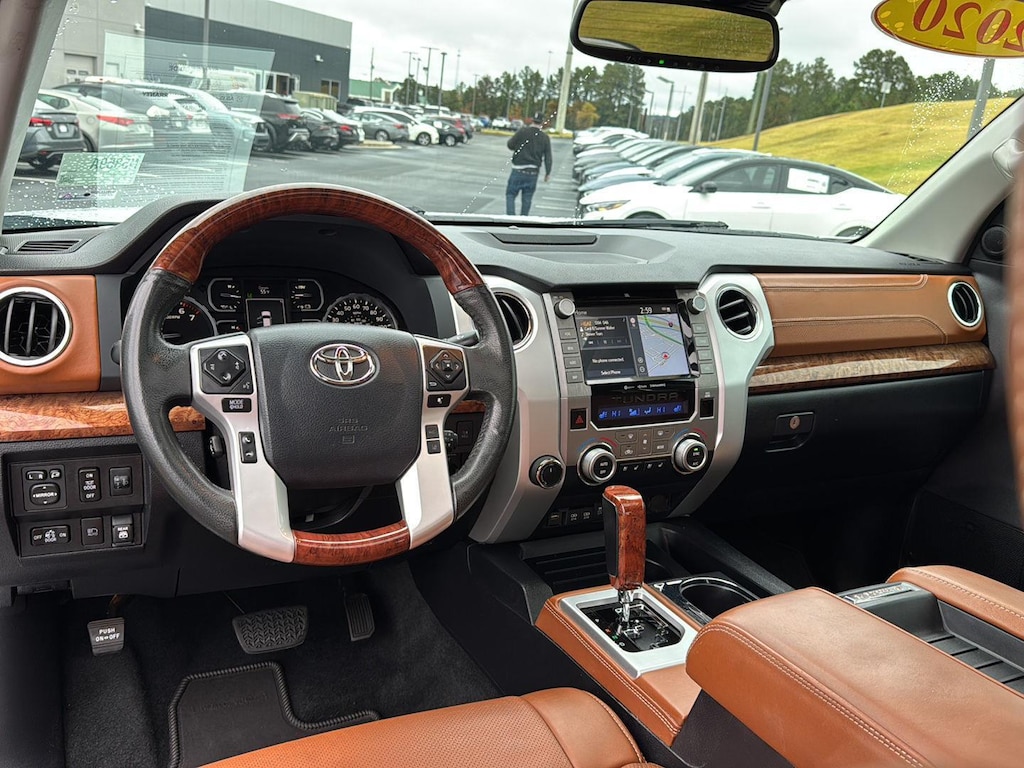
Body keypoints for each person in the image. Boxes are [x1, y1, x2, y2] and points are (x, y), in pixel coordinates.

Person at [506, 120, 552, 216]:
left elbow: (510, 145)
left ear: (532, 121)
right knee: (527, 199)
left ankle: (510, 218)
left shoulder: (522, 132)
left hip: (518, 170)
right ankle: (523, 220)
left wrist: (518, 147)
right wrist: (547, 173)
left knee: (510, 194)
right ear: (542, 123)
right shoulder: (544, 137)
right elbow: (548, 156)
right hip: (533, 173)